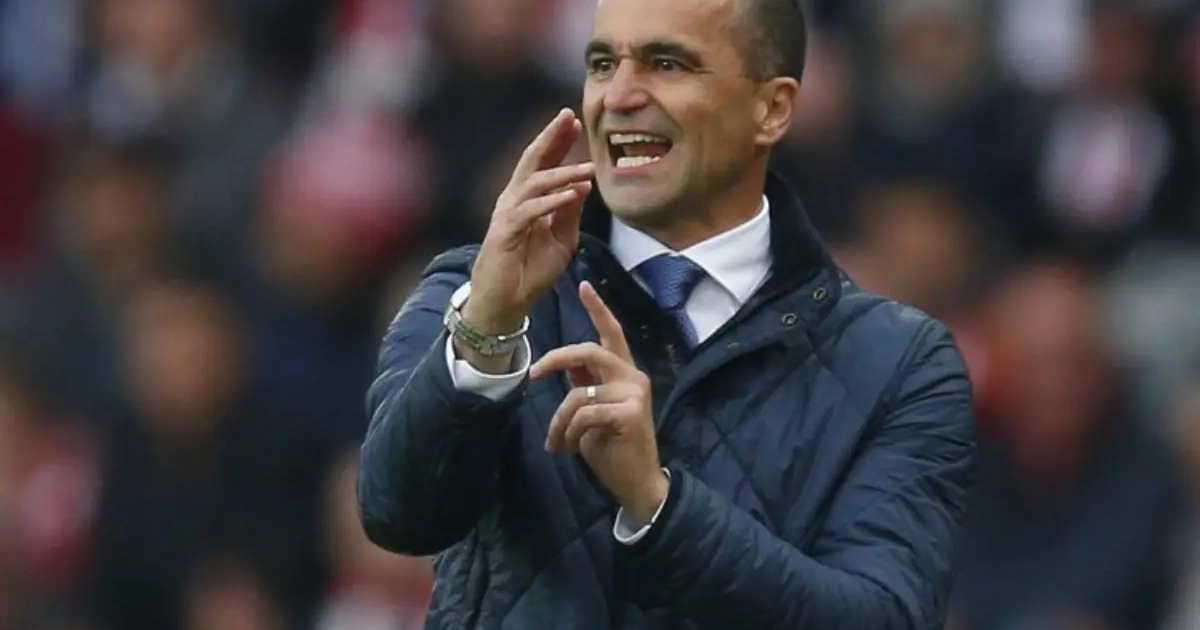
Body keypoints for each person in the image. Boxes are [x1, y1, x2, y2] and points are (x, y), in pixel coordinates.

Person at [358, 0, 976, 627]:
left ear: (772, 109)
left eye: (667, 64)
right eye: (603, 64)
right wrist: (486, 333)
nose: (618, 97)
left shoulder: (900, 366)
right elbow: (395, 513)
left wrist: (657, 504)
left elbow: (881, 617)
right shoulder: (476, 296)